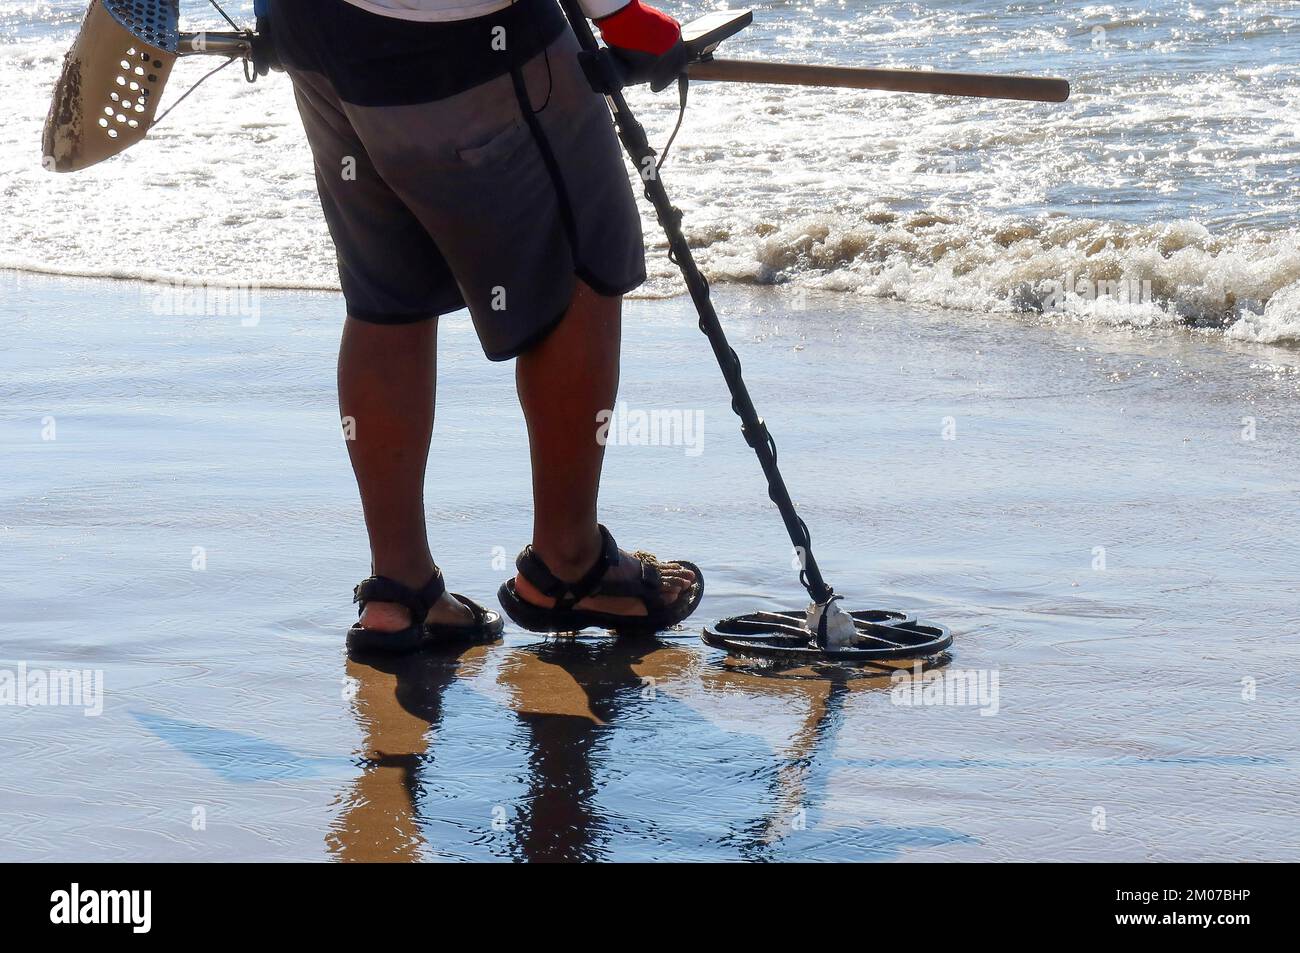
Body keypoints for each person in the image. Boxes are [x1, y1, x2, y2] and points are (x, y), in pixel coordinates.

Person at [270, 0, 704, 652]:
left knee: (387, 291)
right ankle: (568, 562)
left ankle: (399, 591)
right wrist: (621, 15)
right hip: (459, 37)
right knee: (584, 254)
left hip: (313, 31)